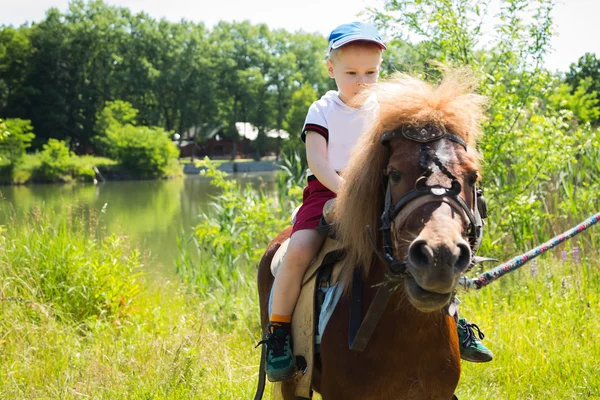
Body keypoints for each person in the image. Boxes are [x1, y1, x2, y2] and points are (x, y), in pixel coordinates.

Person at [260, 22, 492, 383]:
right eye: (351, 72)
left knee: (424, 243)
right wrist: (346, 191)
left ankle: (453, 320)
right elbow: (318, 162)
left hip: (376, 193)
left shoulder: (384, 112)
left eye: (371, 72)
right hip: (328, 190)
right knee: (299, 252)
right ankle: (278, 335)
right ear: (331, 69)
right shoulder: (322, 110)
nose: (362, 81)